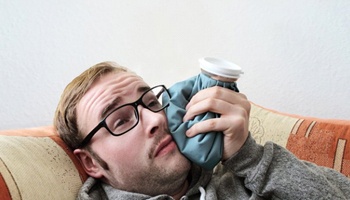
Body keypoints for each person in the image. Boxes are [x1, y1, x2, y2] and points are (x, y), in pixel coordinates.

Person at [54, 61, 350, 200]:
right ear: (91, 162)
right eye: (120, 120)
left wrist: (251, 159)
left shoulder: (243, 178)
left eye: (150, 101)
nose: (156, 120)